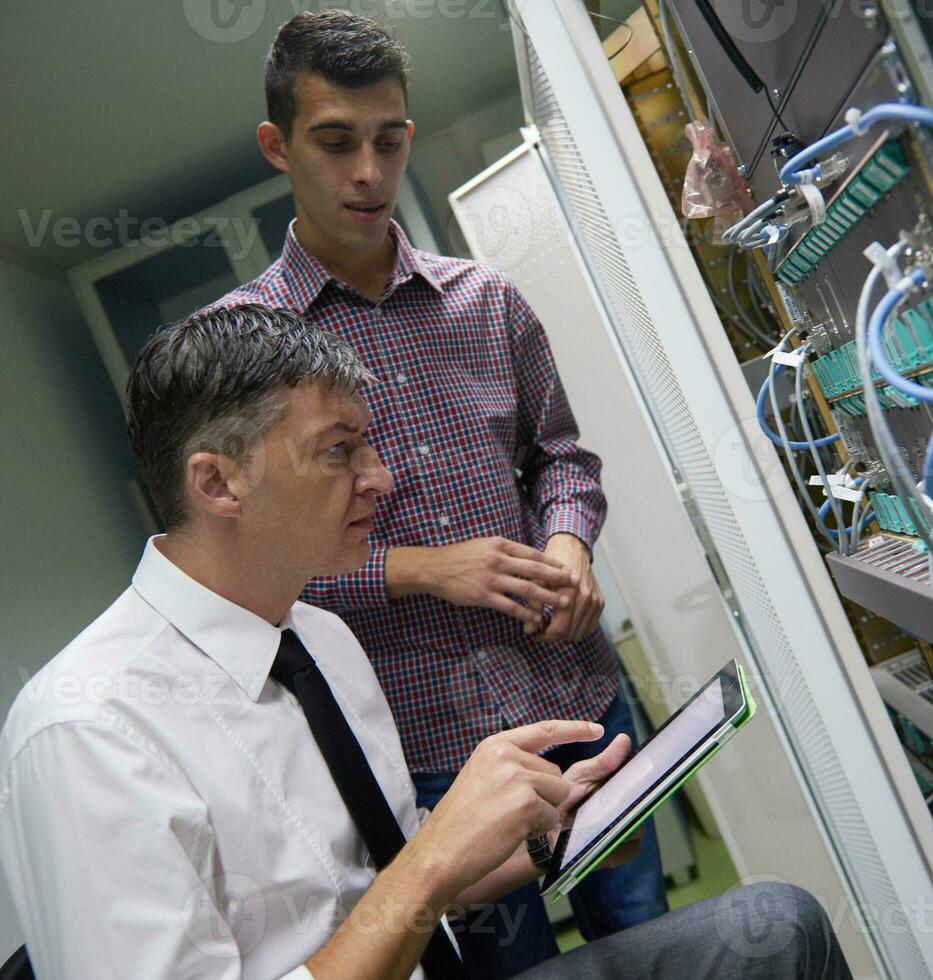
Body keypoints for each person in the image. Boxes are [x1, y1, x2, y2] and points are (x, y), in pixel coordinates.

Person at [0, 305, 852, 980]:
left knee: (773, 927)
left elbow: (396, 887)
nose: (381, 477)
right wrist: (433, 858)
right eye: (339, 452)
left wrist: (550, 828)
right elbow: (416, 881)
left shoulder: (321, 640)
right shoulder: (88, 730)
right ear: (218, 482)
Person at [209, 11, 666, 974]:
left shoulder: (488, 301)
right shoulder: (239, 352)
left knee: (658, 946)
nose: (369, 172)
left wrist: (569, 545)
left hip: (578, 701)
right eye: (335, 142)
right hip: (430, 755)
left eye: (389, 139)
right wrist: (419, 569)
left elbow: (562, 463)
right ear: (277, 148)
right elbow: (243, 572)